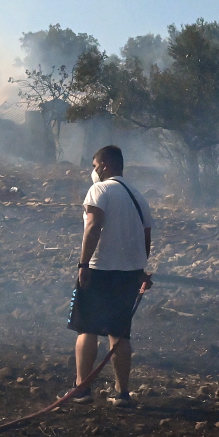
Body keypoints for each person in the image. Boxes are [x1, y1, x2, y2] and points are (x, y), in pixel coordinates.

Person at [66, 145, 153, 407]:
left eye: (94, 166)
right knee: (119, 334)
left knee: (87, 329)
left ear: (104, 165)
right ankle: (122, 393)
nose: (93, 172)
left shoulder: (100, 190)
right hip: (129, 274)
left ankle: (82, 389)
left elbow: (93, 226)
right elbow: (146, 239)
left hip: (99, 270)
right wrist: (139, 270)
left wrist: (83, 265)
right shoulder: (139, 197)